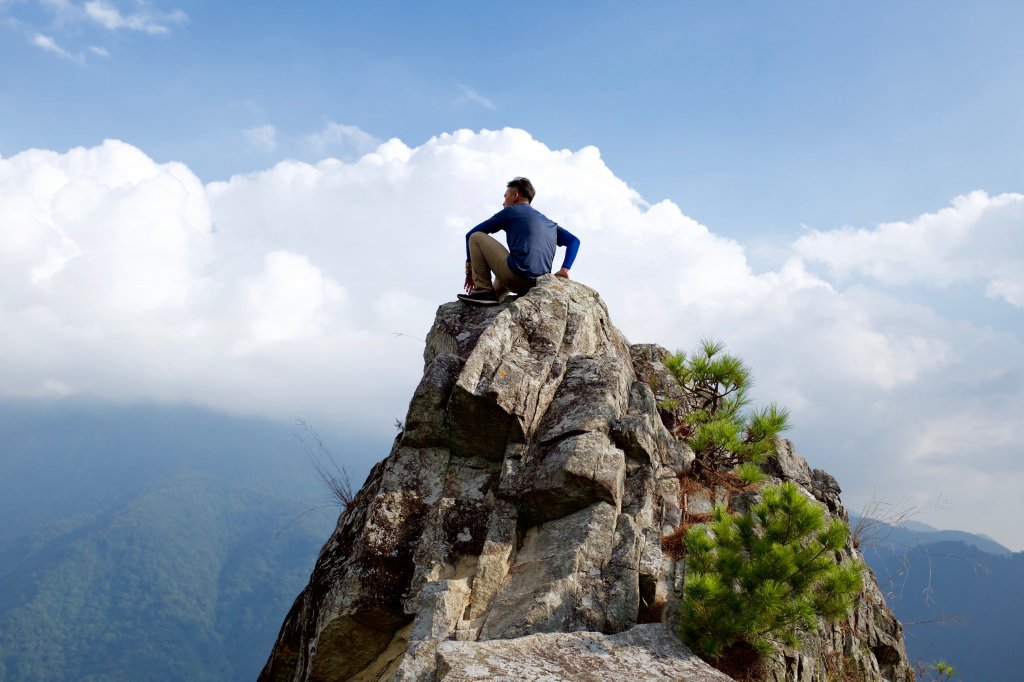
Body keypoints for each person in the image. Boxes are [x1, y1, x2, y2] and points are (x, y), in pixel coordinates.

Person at [458, 177, 581, 305]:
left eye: (505, 197)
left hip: (517, 278)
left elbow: (470, 234)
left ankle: (483, 291)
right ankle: (494, 298)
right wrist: (565, 269)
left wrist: (469, 272)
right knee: (509, 264)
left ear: (515, 196)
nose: (503, 203)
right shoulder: (549, 223)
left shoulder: (510, 212)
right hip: (538, 284)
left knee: (476, 237)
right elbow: (574, 241)